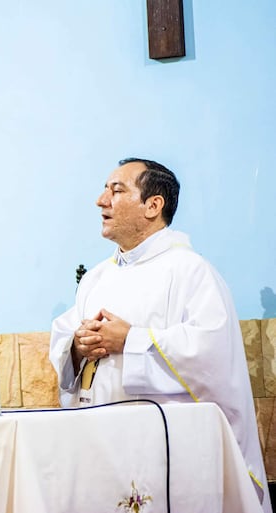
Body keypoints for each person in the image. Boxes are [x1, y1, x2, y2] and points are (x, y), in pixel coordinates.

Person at [49, 158, 270, 509]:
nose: (101, 200)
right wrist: (77, 346)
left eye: (116, 190)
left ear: (153, 205)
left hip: (168, 452)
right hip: (101, 447)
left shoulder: (191, 272)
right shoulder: (96, 278)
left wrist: (129, 340)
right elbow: (67, 338)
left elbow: (211, 354)